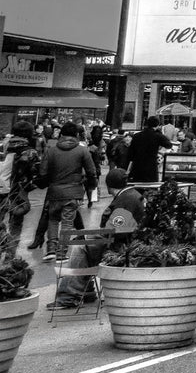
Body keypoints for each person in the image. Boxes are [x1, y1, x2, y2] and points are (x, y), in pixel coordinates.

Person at [47, 168, 143, 311]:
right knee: (84, 244)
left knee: (80, 247)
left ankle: (69, 295)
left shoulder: (126, 199)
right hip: (125, 241)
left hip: (122, 245)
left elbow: (116, 230)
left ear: (109, 186)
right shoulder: (131, 195)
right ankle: (84, 290)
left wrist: (90, 236)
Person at [40, 122, 98, 262]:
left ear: (61, 134)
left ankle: (51, 250)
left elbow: (43, 172)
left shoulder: (51, 150)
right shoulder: (82, 151)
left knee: (53, 219)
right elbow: (91, 171)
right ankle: (61, 253)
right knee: (67, 222)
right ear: (77, 135)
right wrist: (92, 185)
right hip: (73, 191)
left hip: (54, 191)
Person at [2, 121, 41, 239]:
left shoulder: (3, 146)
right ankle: (9, 254)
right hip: (17, 192)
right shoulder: (30, 152)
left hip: (1, 187)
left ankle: (2, 239)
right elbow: (36, 173)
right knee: (16, 223)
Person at [125, 116, 173, 183]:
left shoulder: (137, 136)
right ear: (157, 125)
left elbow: (130, 154)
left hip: (137, 166)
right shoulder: (157, 136)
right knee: (150, 188)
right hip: (151, 166)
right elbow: (169, 145)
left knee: (137, 187)